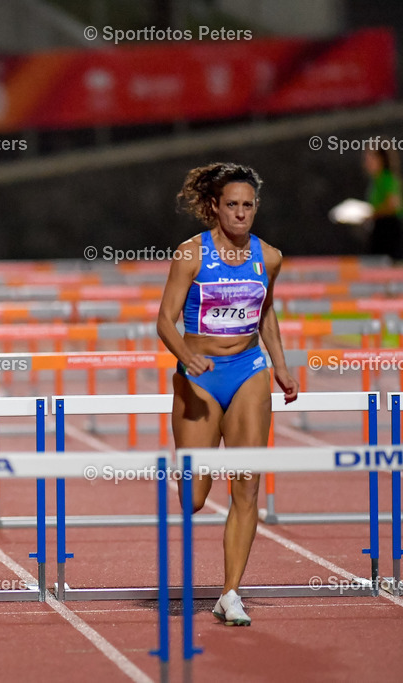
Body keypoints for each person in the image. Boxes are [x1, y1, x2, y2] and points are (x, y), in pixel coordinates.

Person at [157, 162, 299, 626]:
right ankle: (180, 474)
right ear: (215, 207)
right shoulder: (190, 254)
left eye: (248, 206)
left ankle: (230, 592)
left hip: (248, 371)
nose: (241, 214)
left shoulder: (270, 257)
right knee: (193, 498)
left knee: (247, 484)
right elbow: (164, 319)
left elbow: (267, 312)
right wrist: (185, 355)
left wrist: (280, 365)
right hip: (199, 375)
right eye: (232, 205)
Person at [363, 148, 403, 261]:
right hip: (379, 227)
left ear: (381, 160)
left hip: (389, 228)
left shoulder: (387, 178)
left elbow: (393, 205)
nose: (367, 163)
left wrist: (372, 214)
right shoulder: (376, 180)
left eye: (370, 159)